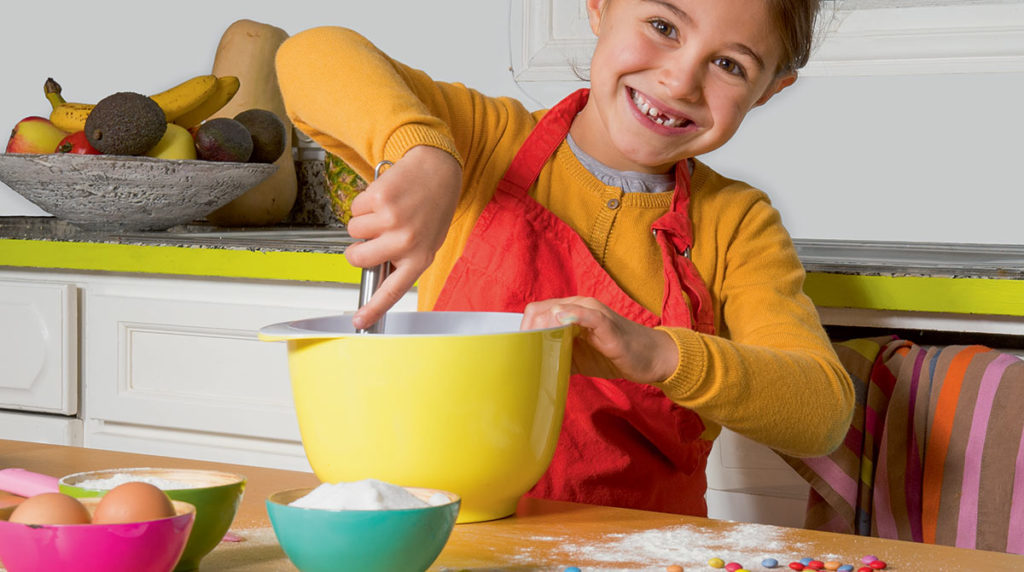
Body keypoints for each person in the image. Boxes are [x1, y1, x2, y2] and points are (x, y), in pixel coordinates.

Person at [276, 0, 855, 516]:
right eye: (662, 25)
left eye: (730, 65)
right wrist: (424, 153)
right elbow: (309, 54)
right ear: (599, 6)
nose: (680, 81)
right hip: (458, 540)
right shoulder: (484, 142)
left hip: (645, 554)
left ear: (771, 89)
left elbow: (821, 412)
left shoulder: (737, 224)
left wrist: (656, 354)